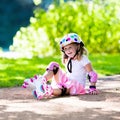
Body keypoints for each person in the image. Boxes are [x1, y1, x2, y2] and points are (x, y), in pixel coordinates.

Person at [22, 33, 98, 100]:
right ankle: (41, 81)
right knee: (54, 66)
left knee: (64, 88)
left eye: (70, 47)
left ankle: (46, 90)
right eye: (65, 49)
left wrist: (92, 87)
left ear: (78, 46)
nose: (68, 50)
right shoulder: (68, 59)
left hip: (77, 86)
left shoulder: (83, 59)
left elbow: (92, 74)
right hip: (68, 80)